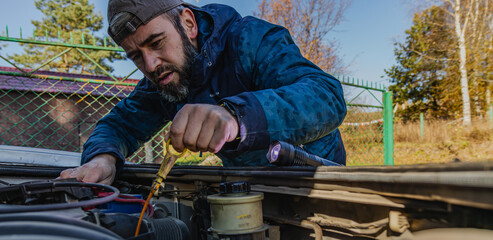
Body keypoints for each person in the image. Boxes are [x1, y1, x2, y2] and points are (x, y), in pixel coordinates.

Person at [60, 0, 347, 185]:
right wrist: (103, 158)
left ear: (188, 23)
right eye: (136, 55)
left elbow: (327, 96)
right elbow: (118, 126)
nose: (150, 64)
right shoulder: (163, 83)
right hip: (246, 187)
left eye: (157, 43)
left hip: (317, 183)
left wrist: (235, 117)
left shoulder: (250, 39)